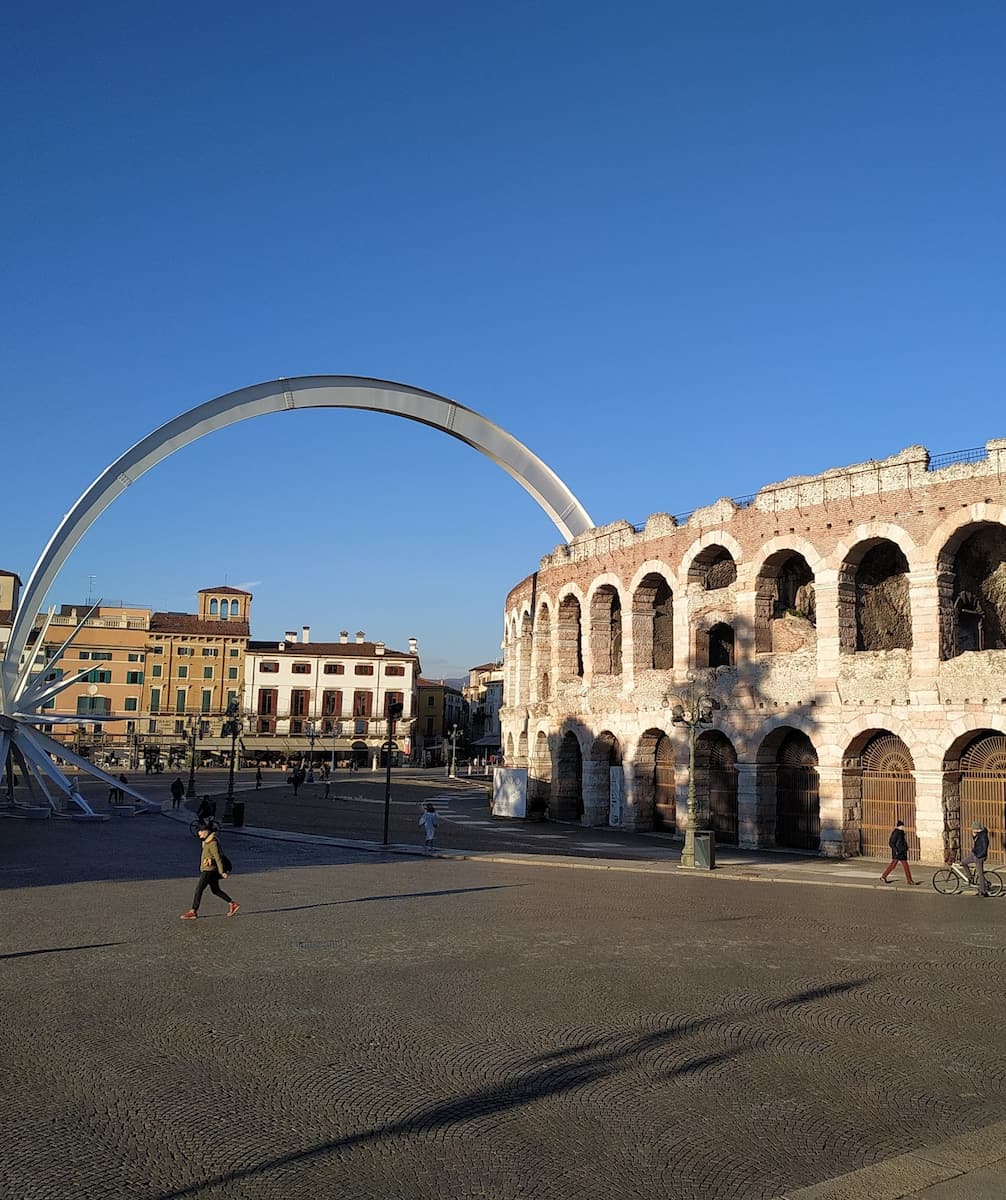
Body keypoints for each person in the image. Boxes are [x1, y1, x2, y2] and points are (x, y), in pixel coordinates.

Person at [179, 827, 239, 919]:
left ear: (206, 832)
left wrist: (222, 872)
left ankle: (193, 911)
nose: (199, 833)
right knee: (215, 890)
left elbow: (218, 858)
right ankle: (233, 904)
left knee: (199, 889)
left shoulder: (212, 843)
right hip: (209, 869)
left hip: (209, 870)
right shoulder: (207, 842)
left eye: (200, 831)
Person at [880, 820, 918, 885]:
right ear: (899, 826)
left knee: (904, 866)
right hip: (898, 853)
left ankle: (909, 880)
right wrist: (896, 850)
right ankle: (883, 877)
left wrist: (906, 847)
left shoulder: (901, 832)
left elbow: (902, 842)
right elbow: (891, 843)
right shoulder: (896, 833)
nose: (903, 827)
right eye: (902, 826)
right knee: (895, 865)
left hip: (901, 852)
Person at [961, 820, 991, 897]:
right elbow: (976, 842)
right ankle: (970, 878)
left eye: (973, 829)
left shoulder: (983, 837)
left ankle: (983, 891)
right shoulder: (978, 834)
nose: (972, 830)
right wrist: (974, 836)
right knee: (963, 862)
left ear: (977, 829)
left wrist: (978, 856)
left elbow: (984, 849)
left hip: (979, 857)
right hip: (974, 854)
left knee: (980, 874)